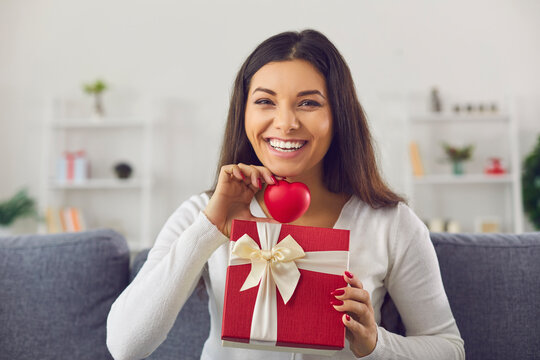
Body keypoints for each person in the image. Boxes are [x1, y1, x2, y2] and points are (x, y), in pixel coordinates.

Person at [106, 29, 465, 360]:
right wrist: (210, 228)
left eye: (308, 103)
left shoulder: (390, 222)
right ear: (243, 113)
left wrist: (374, 344)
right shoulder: (202, 212)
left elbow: (449, 348)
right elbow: (125, 345)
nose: (286, 122)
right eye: (265, 101)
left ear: (337, 115)